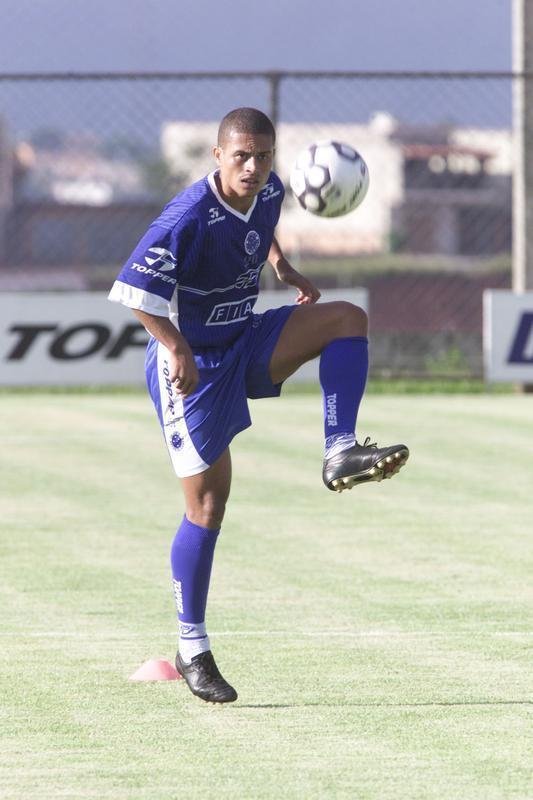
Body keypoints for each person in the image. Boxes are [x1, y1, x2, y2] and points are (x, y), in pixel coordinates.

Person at [108, 107, 409, 704]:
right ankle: (191, 647)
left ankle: (339, 450)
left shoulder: (268, 188)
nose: (253, 167)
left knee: (348, 320)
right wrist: (174, 346)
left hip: (243, 339)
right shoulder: (186, 217)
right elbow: (132, 291)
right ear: (217, 156)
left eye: (264, 156)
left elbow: (262, 220)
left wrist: (280, 262)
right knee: (208, 506)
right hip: (191, 367)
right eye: (241, 155)